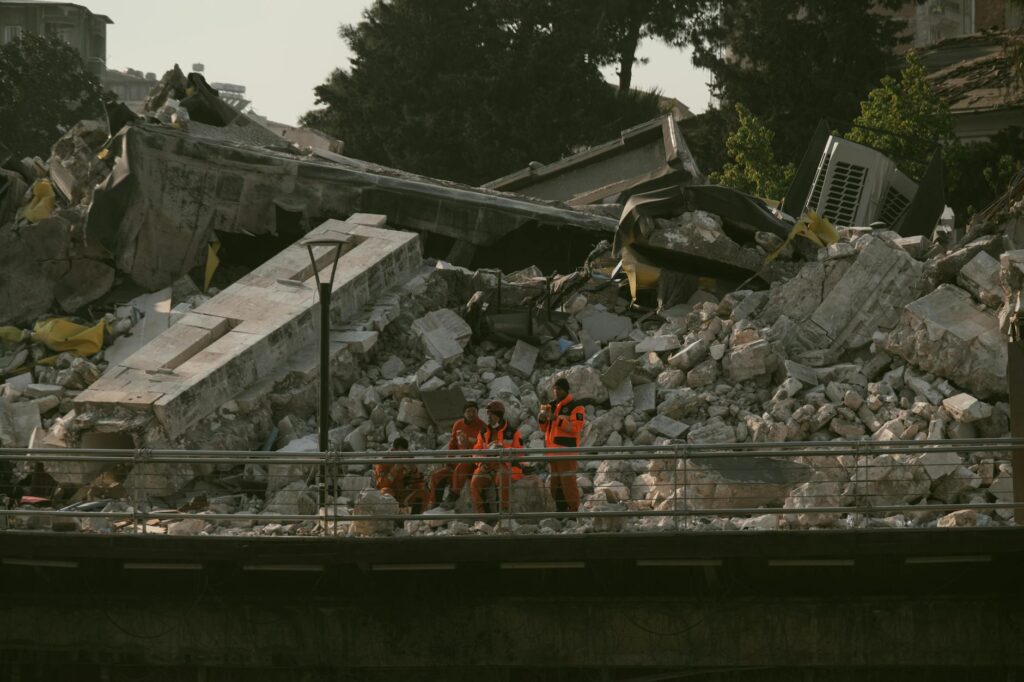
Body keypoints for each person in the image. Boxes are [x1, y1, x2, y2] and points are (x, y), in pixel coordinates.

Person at [469, 400, 524, 514]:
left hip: (503, 465)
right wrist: (481, 463)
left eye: (491, 414)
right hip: (487, 466)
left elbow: (520, 453)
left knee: (503, 478)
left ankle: (503, 512)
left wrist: (502, 449)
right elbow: (476, 450)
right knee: (475, 482)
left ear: (499, 416)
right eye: (488, 414)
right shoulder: (483, 432)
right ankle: (482, 515)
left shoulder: (513, 432)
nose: (488, 417)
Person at [539, 377, 585, 512]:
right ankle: (560, 511)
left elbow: (575, 428)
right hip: (553, 454)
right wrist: (542, 419)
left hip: (567, 453)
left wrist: (556, 419)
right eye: (555, 389)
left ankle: (573, 511)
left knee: (568, 484)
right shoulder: (550, 406)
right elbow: (544, 429)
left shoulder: (576, 407)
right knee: (555, 485)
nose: (556, 392)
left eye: (559, 389)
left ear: (566, 390)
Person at [429, 401, 485, 509]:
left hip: (473, 462)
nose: (471, 414)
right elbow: (453, 444)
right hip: (458, 459)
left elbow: (483, 447)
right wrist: (450, 460)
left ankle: (453, 495)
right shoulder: (458, 424)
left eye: (474, 411)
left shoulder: (482, 427)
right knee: (437, 476)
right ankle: (434, 505)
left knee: (461, 467)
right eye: (468, 411)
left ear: (477, 412)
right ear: (464, 413)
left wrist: (469, 443)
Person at [373, 437, 429, 514]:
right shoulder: (383, 462)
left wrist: (414, 470)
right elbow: (381, 485)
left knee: (423, 493)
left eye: (404, 454)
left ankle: (415, 520)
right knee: (386, 493)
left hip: (403, 494)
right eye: (400, 454)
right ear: (394, 450)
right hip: (390, 493)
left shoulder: (408, 459)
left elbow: (418, 484)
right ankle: (390, 520)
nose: (402, 457)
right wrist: (395, 469)